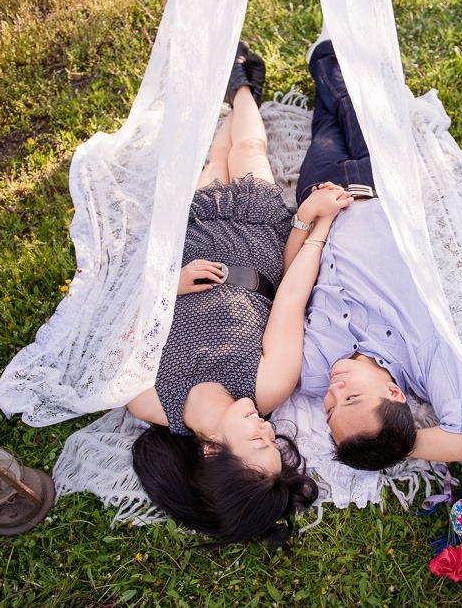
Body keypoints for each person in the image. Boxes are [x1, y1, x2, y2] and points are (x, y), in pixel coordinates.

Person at [126, 41, 354, 545]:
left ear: (211, 451)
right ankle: (245, 86)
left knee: (214, 159)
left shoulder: (148, 400)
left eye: (256, 442)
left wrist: (169, 287)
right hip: (259, 245)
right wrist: (313, 225)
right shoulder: (267, 388)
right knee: (249, 152)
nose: (265, 427)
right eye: (273, 439)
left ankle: (235, 88)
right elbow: (291, 300)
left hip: (193, 242)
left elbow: (116, 320)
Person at [287, 34, 462, 472]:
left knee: (324, 125)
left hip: (321, 197)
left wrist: (307, 217)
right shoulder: (424, 354)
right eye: (352, 397)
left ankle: (328, 53)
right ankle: (331, 42)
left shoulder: (310, 373)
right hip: (381, 187)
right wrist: (393, 444)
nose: (335, 390)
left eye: (329, 409)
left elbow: (292, 284)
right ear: (396, 395)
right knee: (349, 101)